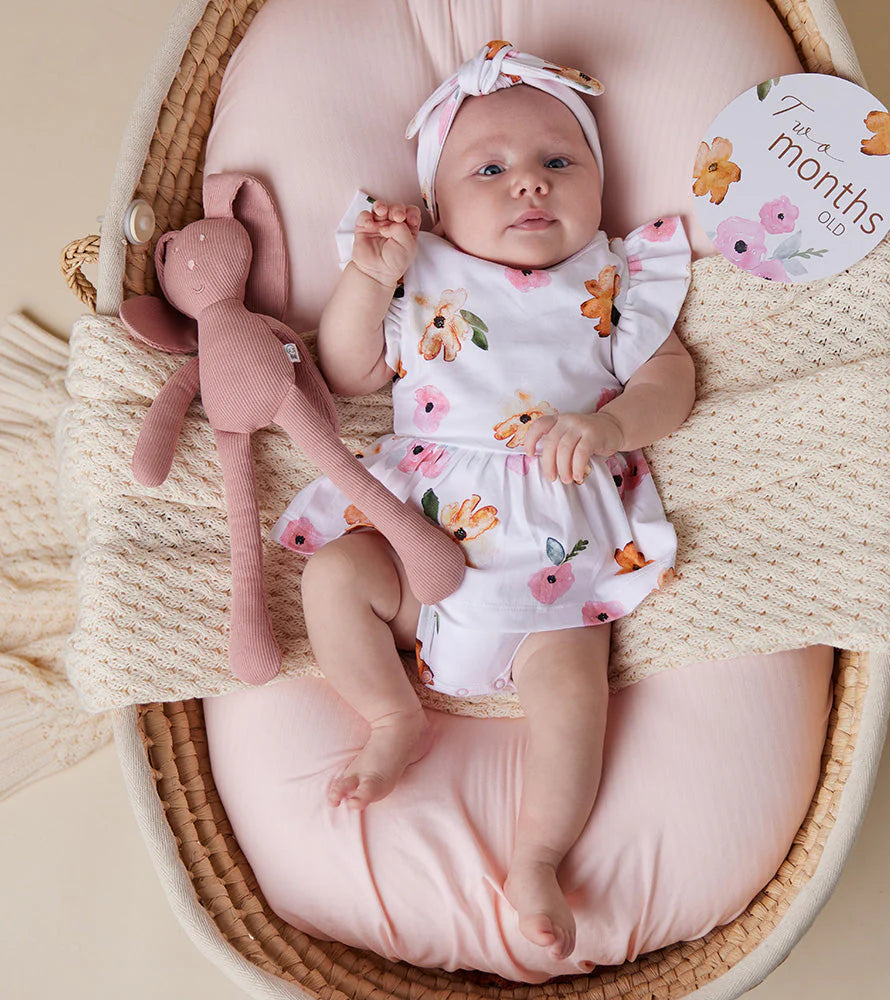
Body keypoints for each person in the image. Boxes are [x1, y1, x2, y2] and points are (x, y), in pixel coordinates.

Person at [270, 41, 695, 962]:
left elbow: (671, 382)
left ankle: (537, 857)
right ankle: (392, 715)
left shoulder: (612, 280)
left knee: (574, 693)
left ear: (599, 185)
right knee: (336, 576)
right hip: (421, 541)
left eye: (559, 161)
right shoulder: (419, 269)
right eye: (490, 171)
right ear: (437, 208)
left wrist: (611, 427)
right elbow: (346, 371)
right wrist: (369, 277)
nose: (530, 184)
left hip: (552, 553)